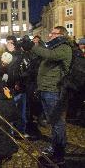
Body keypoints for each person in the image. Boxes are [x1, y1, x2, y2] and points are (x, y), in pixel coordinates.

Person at [20, 26, 72, 166]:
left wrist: (33, 46)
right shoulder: (54, 47)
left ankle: (59, 154)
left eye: (53, 33)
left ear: (61, 35)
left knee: (57, 124)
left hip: (54, 91)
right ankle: (55, 147)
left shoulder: (64, 47)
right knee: (54, 123)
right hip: (47, 90)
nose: (49, 35)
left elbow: (50, 56)